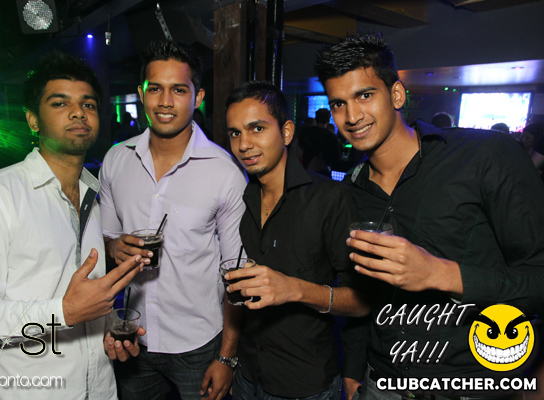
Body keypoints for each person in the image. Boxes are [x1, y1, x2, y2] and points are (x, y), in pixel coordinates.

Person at [315, 33, 544, 399]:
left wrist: (440, 273)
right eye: (338, 104)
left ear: (397, 95)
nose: (352, 116)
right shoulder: (352, 192)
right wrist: (354, 368)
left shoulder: (485, 156)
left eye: (365, 95)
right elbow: (363, 290)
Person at [0, 52, 145, 399]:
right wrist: (62, 312)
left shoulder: (92, 195)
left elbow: (81, 296)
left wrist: (107, 334)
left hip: (99, 389)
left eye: (88, 104)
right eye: (60, 103)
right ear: (33, 120)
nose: (78, 112)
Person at [99, 41, 247, 400]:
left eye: (179, 90)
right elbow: (105, 240)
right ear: (141, 94)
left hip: (199, 342)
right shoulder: (116, 160)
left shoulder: (225, 172)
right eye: (155, 89)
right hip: (135, 337)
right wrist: (115, 247)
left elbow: (237, 275)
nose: (165, 101)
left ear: (197, 98)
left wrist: (227, 357)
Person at [224, 81, 369, 400]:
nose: (244, 144)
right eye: (235, 133)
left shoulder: (330, 199)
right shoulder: (244, 198)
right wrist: (227, 358)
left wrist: (295, 289)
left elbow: (362, 301)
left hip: (303, 382)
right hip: (248, 374)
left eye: (257, 128)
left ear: (286, 132)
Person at [297, 108, 342, 176]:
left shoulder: (305, 133)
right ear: (328, 121)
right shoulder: (332, 137)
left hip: (306, 171)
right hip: (324, 173)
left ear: (315, 119)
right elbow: (336, 158)